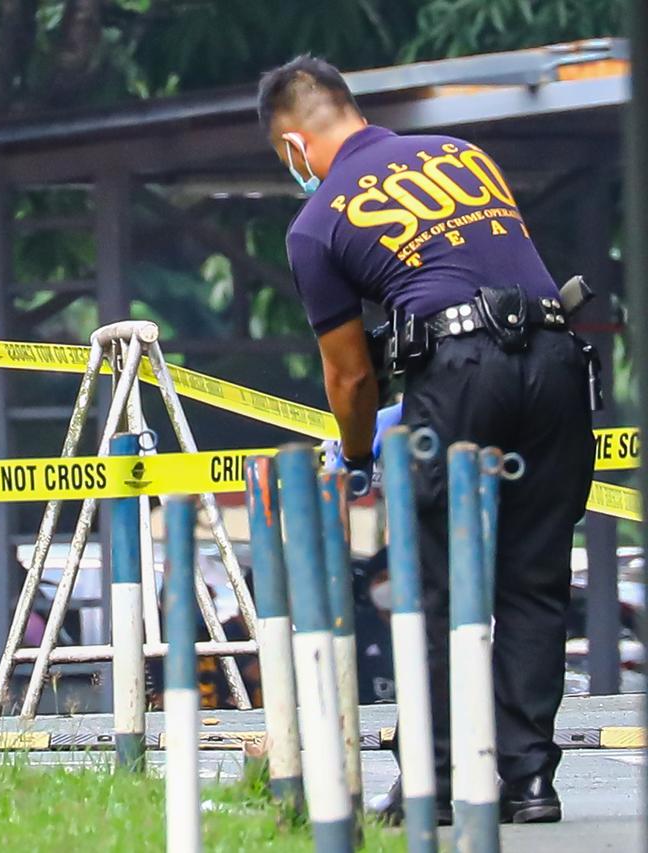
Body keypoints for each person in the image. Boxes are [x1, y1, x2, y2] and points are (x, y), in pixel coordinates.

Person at [257, 56, 597, 824]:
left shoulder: (316, 223)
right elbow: (490, 264)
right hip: (555, 359)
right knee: (534, 579)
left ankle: (437, 780)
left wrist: (351, 456)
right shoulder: (462, 156)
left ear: (293, 145)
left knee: (433, 581)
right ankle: (530, 781)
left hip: (460, 370)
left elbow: (348, 379)